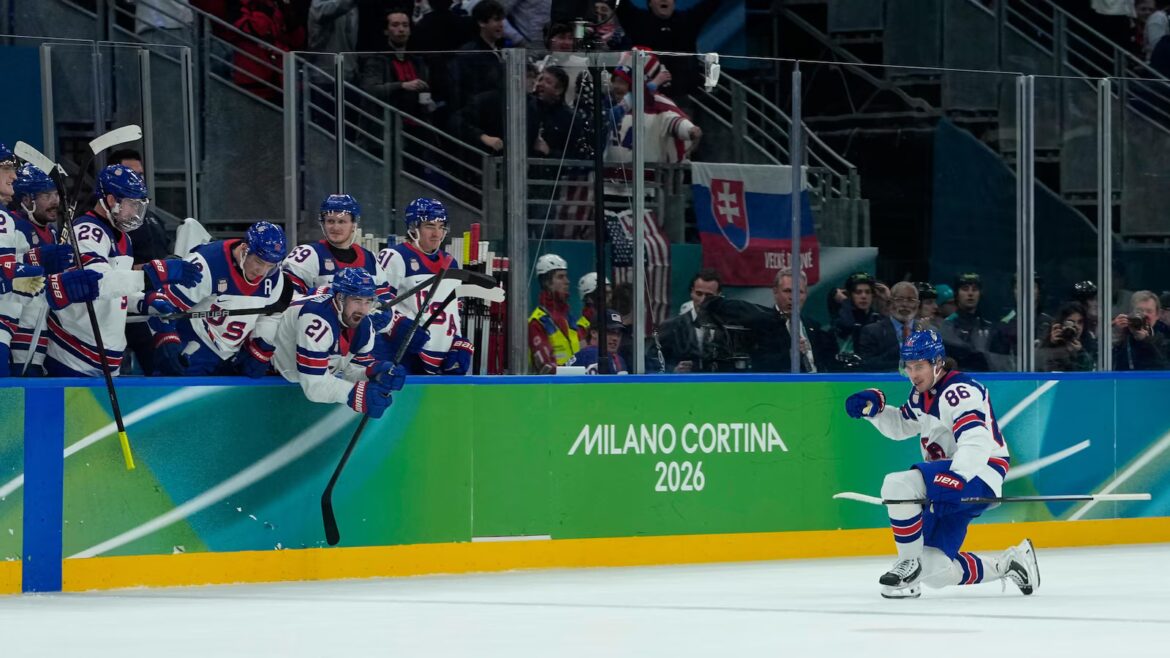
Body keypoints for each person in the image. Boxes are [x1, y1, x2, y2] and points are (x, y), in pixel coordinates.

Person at [843, 329, 1039, 599]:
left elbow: (976, 440)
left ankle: (907, 566)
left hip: (977, 473)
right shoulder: (921, 394)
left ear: (938, 363)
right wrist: (873, 412)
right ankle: (1009, 564)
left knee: (898, 484)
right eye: (909, 367)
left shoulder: (958, 392)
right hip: (953, 479)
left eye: (919, 366)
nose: (913, 374)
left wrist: (956, 478)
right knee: (935, 570)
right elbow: (901, 426)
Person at [43, 165, 203, 377]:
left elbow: (117, 292)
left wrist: (143, 301)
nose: (136, 212)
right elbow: (98, 284)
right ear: (111, 201)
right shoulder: (88, 231)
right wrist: (152, 275)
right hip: (73, 358)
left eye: (139, 205)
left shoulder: (123, 238)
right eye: (131, 204)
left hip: (106, 361)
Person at [150, 221, 290, 376]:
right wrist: (167, 338)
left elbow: (269, 315)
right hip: (194, 345)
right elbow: (164, 303)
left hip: (232, 357)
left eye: (271, 266)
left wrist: (259, 345)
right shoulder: (207, 263)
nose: (262, 272)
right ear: (245, 249)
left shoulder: (275, 277)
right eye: (259, 262)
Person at [263, 267, 405, 418]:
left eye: (368, 301)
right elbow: (314, 387)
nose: (363, 310)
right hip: (266, 372)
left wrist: (373, 373)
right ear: (339, 298)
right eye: (357, 300)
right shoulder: (316, 320)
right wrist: (357, 396)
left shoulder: (364, 327)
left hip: (291, 378)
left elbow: (347, 372)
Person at [375, 197, 469, 375]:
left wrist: (459, 342)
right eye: (429, 226)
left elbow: (454, 312)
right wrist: (400, 327)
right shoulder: (394, 256)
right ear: (413, 227)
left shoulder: (451, 262)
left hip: (441, 359)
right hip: (401, 355)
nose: (437, 234)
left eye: (441, 227)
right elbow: (376, 305)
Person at [6, 163, 76, 374]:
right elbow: (8, 270)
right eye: (46, 196)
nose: (55, 201)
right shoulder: (14, 226)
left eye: (56, 194)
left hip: (41, 332)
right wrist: (36, 259)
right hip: (14, 331)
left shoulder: (52, 233)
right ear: (27, 200)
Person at [283, 194, 389, 300]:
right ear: (323, 224)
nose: (335, 227)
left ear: (353, 225)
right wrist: (319, 297)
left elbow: (384, 298)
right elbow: (287, 297)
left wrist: (386, 309)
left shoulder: (370, 259)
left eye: (342, 222)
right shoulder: (307, 254)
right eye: (330, 221)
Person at [528, 252, 581, 373]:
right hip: (552, 388)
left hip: (577, 384)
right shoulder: (538, 322)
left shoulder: (569, 316)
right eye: (560, 277)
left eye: (566, 276)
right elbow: (545, 368)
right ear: (546, 282)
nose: (567, 281)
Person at [857, 281, 920, 372]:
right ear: (890, 303)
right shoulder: (872, 331)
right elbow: (867, 365)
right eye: (899, 299)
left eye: (911, 300)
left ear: (917, 305)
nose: (905, 305)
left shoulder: (930, 332)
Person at [939, 272, 994, 371]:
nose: (970, 293)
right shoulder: (947, 326)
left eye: (975, 289)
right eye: (965, 289)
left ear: (980, 293)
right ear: (957, 293)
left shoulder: (989, 328)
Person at [567, 308, 628, 375]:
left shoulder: (619, 359)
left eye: (618, 334)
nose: (615, 338)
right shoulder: (590, 355)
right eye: (610, 332)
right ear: (593, 333)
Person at [1037, 302, 1094, 372]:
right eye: (1070, 322)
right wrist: (1051, 345)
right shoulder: (1050, 341)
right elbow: (1039, 368)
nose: (1076, 327)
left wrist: (1080, 353)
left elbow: (1088, 373)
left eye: (1080, 322)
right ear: (1061, 324)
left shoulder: (1089, 343)